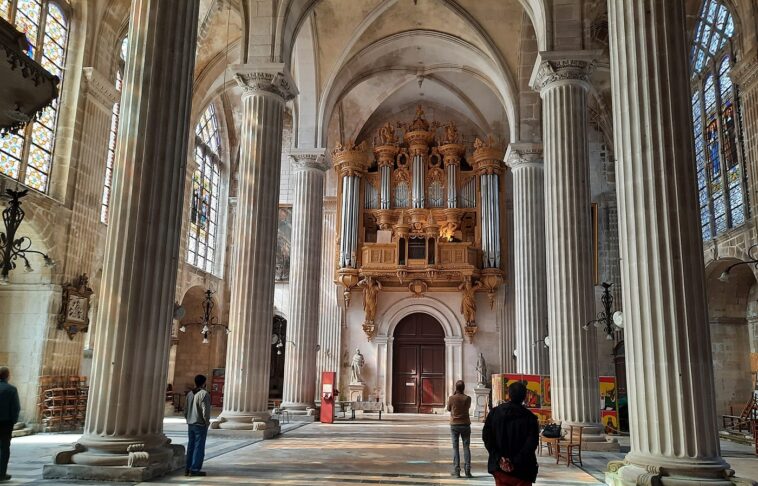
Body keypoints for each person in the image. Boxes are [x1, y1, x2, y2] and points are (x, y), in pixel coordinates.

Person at [482, 381, 539, 486]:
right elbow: (531, 444)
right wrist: (514, 461)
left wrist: (499, 458)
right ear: (525, 396)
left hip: (500, 468)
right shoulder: (530, 417)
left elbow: (487, 437)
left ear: (508, 395)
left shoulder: (494, 413)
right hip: (522, 468)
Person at [184, 374, 211, 477]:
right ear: (204, 383)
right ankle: (195, 469)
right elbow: (205, 411)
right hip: (200, 424)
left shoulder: (190, 394)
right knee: (199, 447)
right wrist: (206, 422)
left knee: (191, 446)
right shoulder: (204, 394)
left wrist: (188, 418)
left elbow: (185, 410)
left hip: (191, 423)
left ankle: (188, 468)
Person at [447, 380, 472, 478]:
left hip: (454, 425)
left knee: (455, 448)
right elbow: (467, 407)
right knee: (466, 447)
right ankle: (467, 471)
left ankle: (457, 471)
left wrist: (453, 396)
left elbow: (449, 409)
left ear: (456, 388)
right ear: (464, 388)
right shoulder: (468, 398)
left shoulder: (451, 398)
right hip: (465, 424)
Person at [0, 367, 19, 483]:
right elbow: (15, 407)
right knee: (4, 448)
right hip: (5, 423)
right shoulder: (11, 389)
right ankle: (1, 473)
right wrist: (13, 420)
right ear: (7, 376)